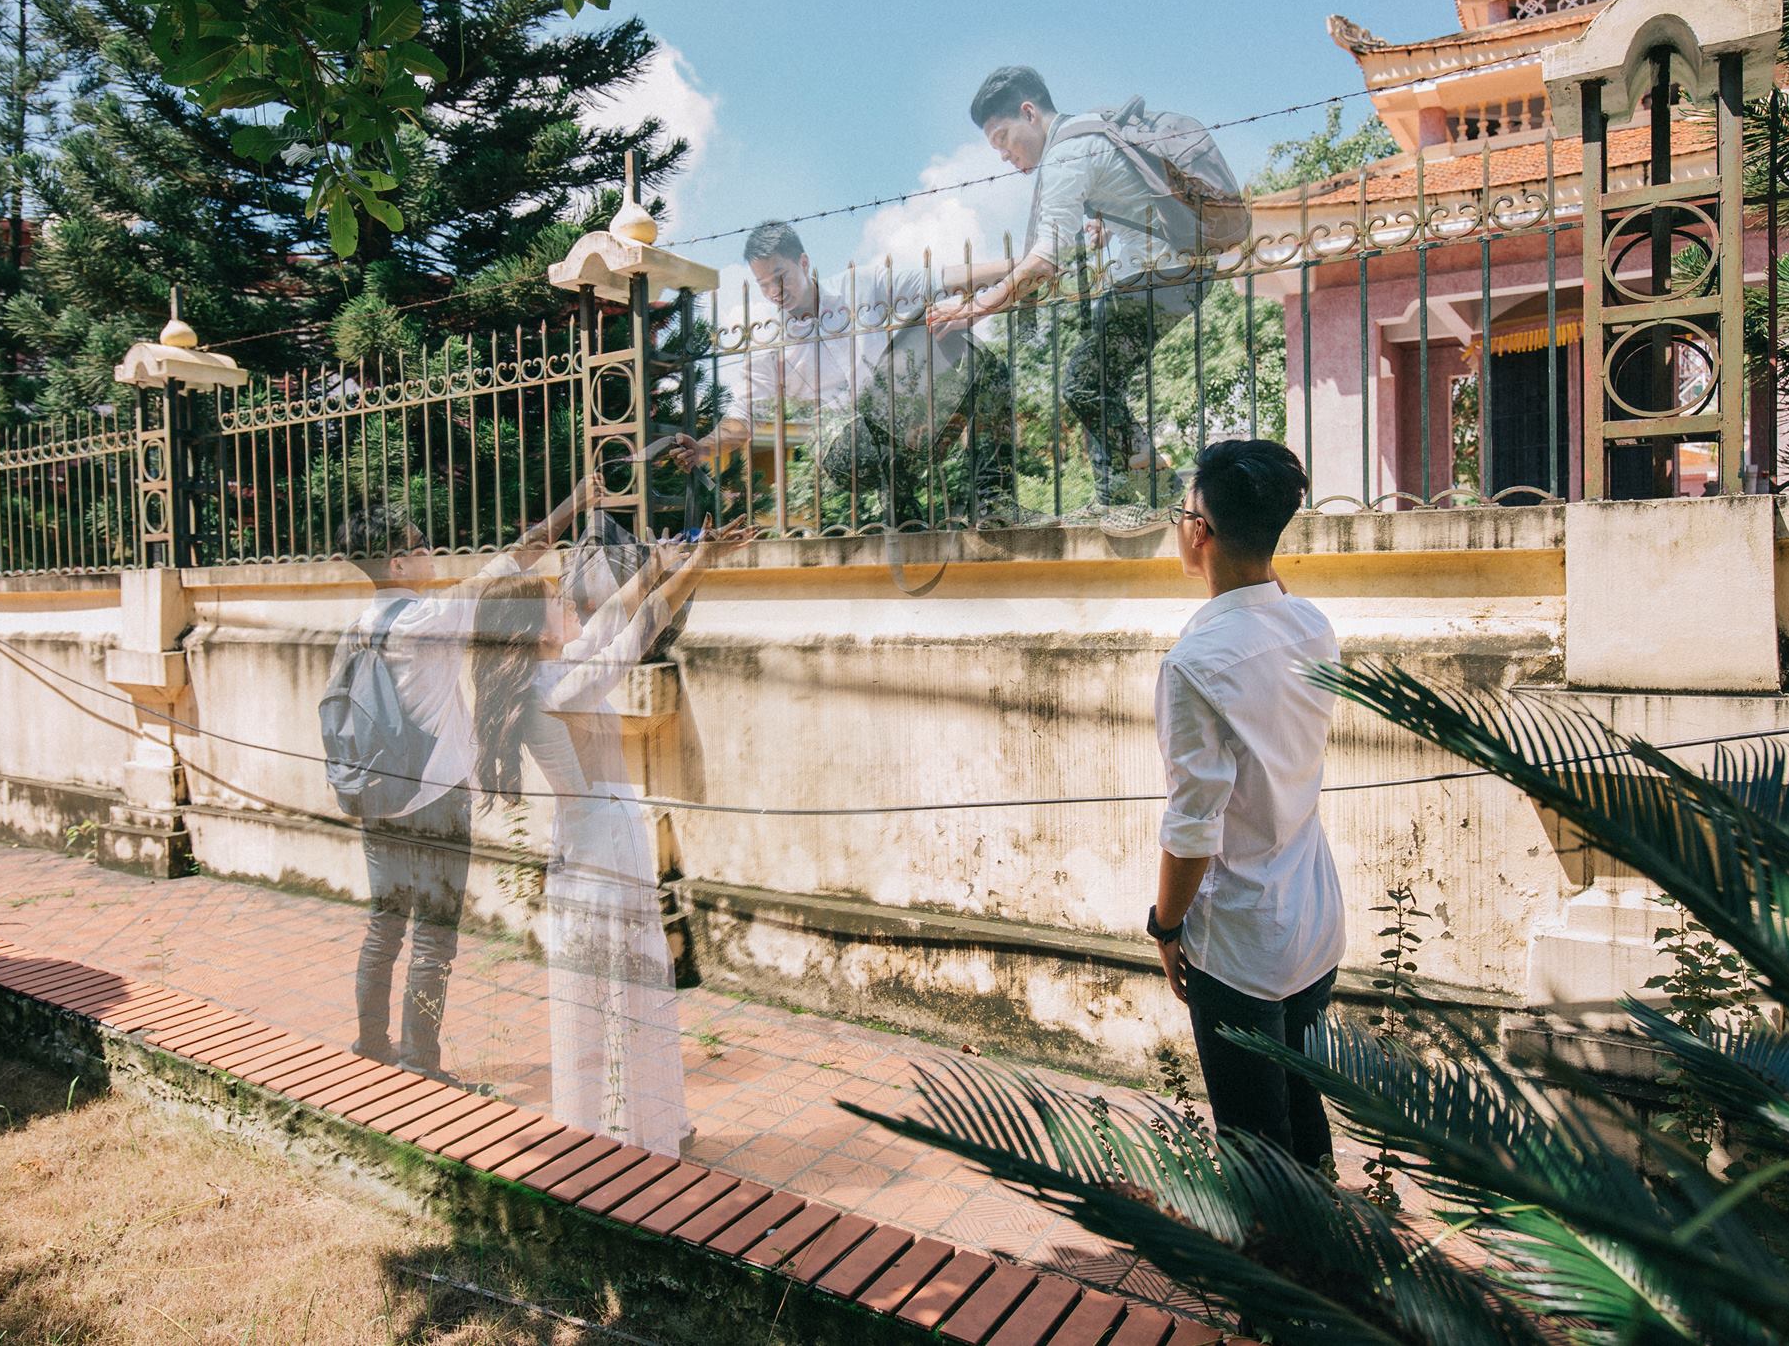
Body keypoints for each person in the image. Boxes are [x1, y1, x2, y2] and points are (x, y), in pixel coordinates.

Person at [471, 516, 749, 1156]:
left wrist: (657, 565)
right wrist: (700, 561)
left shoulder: (549, 676)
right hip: (604, 852)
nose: (569, 603)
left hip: (591, 847)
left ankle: (626, 1127)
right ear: (535, 630)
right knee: (628, 993)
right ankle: (632, 1136)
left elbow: (618, 615)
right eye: (555, 601)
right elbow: (636, 630)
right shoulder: (558, 689)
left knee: (610, 993)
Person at [331, 479, 597, 1080]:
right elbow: (517, 557)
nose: (430, 551)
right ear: (398, 563)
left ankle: (371, 1043)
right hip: (435, 800)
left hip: (375, 796)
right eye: (418, 545)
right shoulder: (430, 618)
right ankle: (420, 1063)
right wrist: (575, 504)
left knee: (383, 925)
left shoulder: (356, 628)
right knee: (433, 938)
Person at [1147, 438, 1344, 1172]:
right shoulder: (1311, 625)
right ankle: (1327, 1226)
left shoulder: (1194, 665)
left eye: (1183, 513)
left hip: (1241, 942)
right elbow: (1270, 594)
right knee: (1302, 1106)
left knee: (1258, 1149)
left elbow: (1193, 825)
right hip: (1313, 919)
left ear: (1200, 531)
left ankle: (1285, 1242)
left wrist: (1165, 924)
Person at [929, 66, 1243, 515]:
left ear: (1028, 113)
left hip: (1161, 278)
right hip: (1164, 274)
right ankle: (1112, 497)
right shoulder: (1089, 129)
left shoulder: (1066, 154)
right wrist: (1107, 221)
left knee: (1083, 383)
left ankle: (1161, 490)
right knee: (1093, 380)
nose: (1003, 155)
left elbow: (1044, 259)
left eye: (1003, 138)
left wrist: (976, 307)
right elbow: (1129, 188)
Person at [679, 220, 1027, 528]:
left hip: (903, 419)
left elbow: (942, 280)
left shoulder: (860, 286)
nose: (774, 292)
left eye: (780, 277)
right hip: (845, 445)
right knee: (878, 407)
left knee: (968, 350)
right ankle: (898, 500)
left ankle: (990, 501)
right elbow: (743, 416)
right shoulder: (769, 341)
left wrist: (1028, 266)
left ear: (804, 263)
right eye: (763, 284)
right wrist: (705, 447)